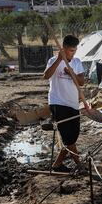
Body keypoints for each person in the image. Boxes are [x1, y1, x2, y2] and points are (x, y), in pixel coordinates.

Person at [43, 35, 85, 172]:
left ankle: (57, 164)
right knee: (67, 137)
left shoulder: (77, 62)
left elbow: (81, 82)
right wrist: (59, 60)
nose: (73, 53)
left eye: (75, 50)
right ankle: (79, 164)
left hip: (73, 104)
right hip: (58, 102)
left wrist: (71, 73)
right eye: (71, 50)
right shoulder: (53, 60)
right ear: (64, 49)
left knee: (73, 136)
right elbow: (46, 76)